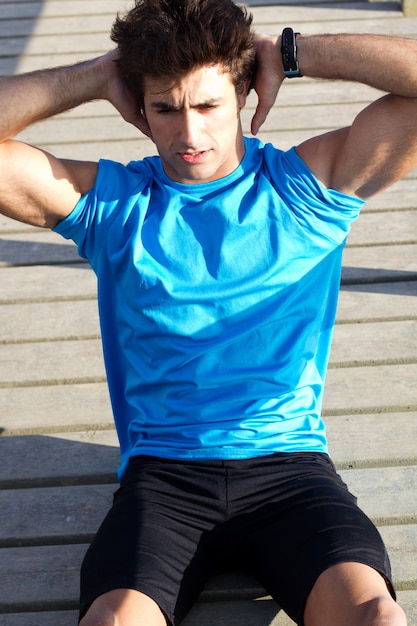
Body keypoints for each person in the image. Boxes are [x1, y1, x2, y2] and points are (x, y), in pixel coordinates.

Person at [1, 0, 416, 624]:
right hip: (164, 479)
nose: (189, 135)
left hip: (290, 471)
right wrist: (92, 75)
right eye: (165, 109)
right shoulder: (116, 205)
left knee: (376, 617)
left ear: (245, 92)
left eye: (209, 106)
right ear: (138, 107)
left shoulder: (308, 188)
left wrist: (294, 52)